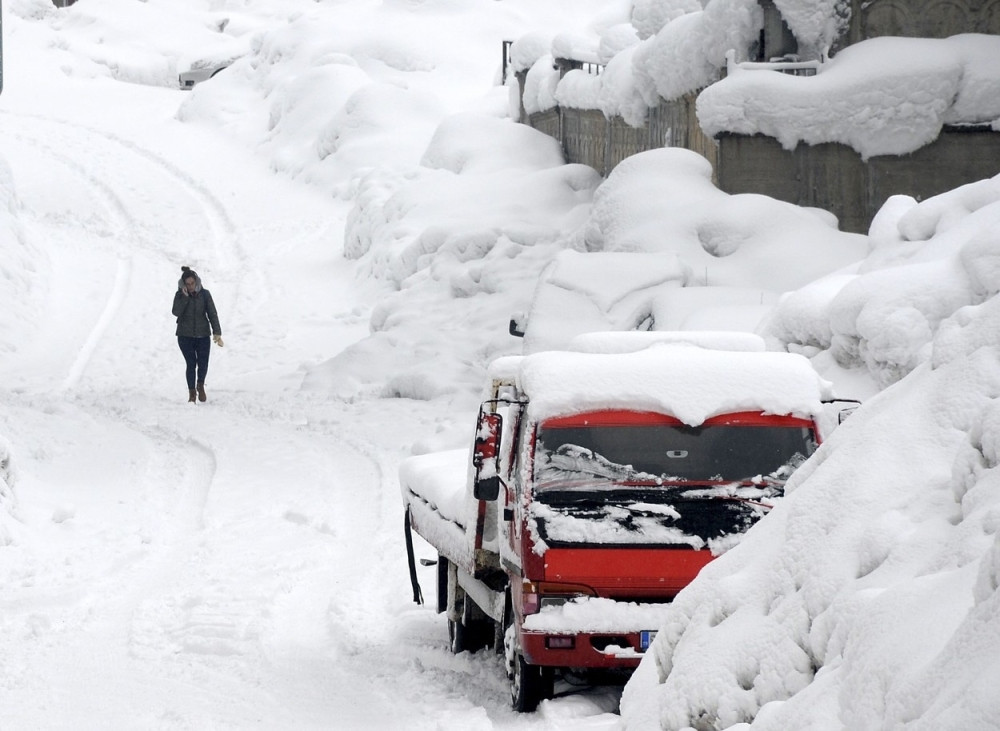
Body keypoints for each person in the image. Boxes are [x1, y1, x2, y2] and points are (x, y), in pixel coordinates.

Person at [172, 266, 223, 403]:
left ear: (196, 281)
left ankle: (200, 385)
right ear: (183, 284)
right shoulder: (179, 295)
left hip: (203, 335)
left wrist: (217, 332)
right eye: (187, 284)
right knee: (191, 363)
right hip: (185, 335)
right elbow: (176, 312)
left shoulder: (205, 294)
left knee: (203, 363)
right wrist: (184, 297)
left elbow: (212, 313)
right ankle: (192, 393)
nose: (190, 286)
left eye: (192, 283)